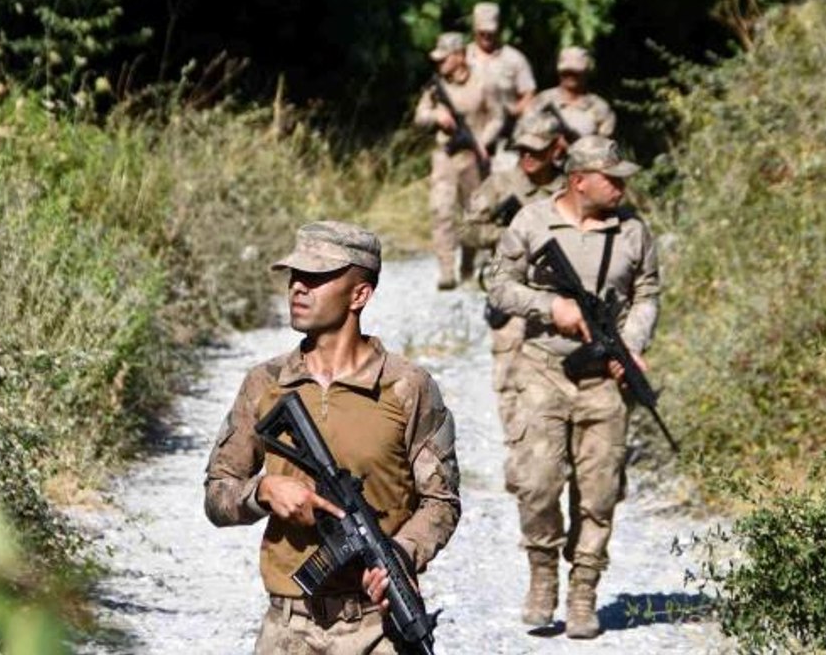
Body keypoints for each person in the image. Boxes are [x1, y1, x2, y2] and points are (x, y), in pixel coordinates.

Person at [204, 221, 462, 654]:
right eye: (294, 277)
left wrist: (400, 555)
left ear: (360, 295)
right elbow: (217, 494)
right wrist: (263, 491)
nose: (298, 289)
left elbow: (441, 501)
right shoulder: (265, 383)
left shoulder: (406, 386)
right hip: (288, 628)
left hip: (376, 625)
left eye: (317, 278)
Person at [486, 136, 659, 638]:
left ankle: (584, 592)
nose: (622, 186)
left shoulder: (634, 232)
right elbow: (499, 285)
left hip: (605, 379)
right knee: (537, 481)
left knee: (600, 491)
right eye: (613, 178)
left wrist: (631, 345)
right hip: (541, 369)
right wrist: (550, 308)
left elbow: (646, 293)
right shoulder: (533, 222)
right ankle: (542, 576)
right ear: (580, 180)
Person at [460, 112, 569, 468]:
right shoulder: (501, 185)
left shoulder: (570, 189)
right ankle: (520, 452)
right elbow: (468, 232)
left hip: (559, 298)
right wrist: (510, 235)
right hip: (512, 297)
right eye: (522, 149)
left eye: (536, 150)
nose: (527, 157)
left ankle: (558, 446)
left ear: (556, 149)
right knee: (509, 378)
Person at [414, 31, 503, 290]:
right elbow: (419, 117)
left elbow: (498, 116)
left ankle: (467, 266)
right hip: (445, 157)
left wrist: (484, 140)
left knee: (474, 215)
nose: (440, 63)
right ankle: (445, 270)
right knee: (441, 210)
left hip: (474, 158)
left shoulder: (484, 82)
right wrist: (435, 117)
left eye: (445, 58)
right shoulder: (435, 86)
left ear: (460, 56)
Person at [465, 1, 537, 146]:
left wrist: (516, 111)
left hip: (505, 135)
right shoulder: (463, 57)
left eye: (490, 32)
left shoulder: (514, 58)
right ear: (474, 29)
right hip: (469, 131)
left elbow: (529, 92)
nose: (486, 36)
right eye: (482, 32)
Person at [522, 46, 615, 139]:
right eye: (566, 72)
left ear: (586, 73)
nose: (571, 76)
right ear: (559, 72)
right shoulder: (542, 100)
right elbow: (523, 134)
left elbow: (605, 146)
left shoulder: (600, 107)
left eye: (576, 72)